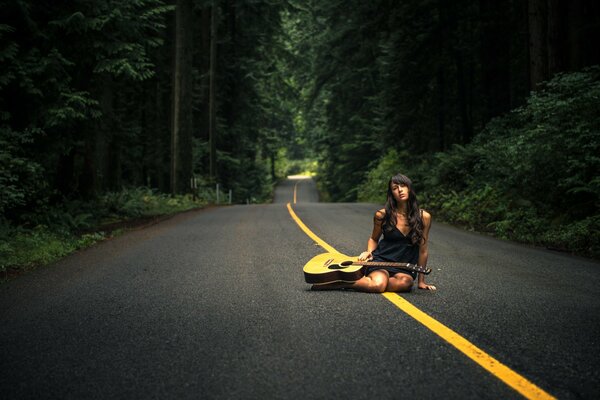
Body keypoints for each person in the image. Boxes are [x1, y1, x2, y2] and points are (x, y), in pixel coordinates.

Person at [313, 173, 436, 292]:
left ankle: (365, 282)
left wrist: (421, 281)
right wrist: (369, 253)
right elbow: (373, 239)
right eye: (395, 188)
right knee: (378, 285)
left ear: (409, 188)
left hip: (404, 267)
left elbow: (423, 250)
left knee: (405, 283)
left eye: (403, 186)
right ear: (391, 194)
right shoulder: (382, 215)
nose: (400, 190)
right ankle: (339, 283)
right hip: (381, 260)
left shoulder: (424, 217)